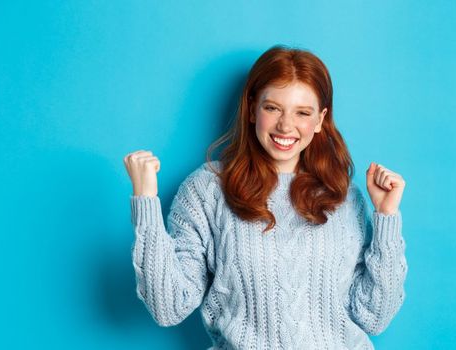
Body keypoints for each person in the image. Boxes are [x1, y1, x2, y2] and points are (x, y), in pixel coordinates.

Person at [123, 45, 407, 349]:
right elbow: (168, 308)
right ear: (252, 107)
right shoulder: (207, 190)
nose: (286, 125)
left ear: (321, 119)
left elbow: (374, 316)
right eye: (272, 108)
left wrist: (386, 217)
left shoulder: (344, 195)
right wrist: (146, 201)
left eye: (302, 112)